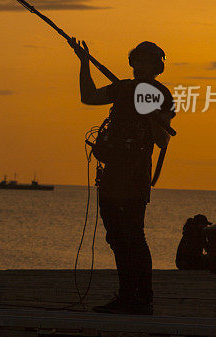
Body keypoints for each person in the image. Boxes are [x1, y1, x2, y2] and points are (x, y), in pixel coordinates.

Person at [68, 39, 174, 315]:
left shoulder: (161, 94)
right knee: (116, 236)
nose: (142, 66)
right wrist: (83, 62)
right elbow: (88, 96)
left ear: (157, 66)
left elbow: (162, 140)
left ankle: (142, 298)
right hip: (113, 172)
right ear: (133, 63)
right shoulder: (123, 88)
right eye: (138, 60)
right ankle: (128, 294)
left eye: (149, 61)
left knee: (134, 236)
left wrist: (150, 114)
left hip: (136, 175)